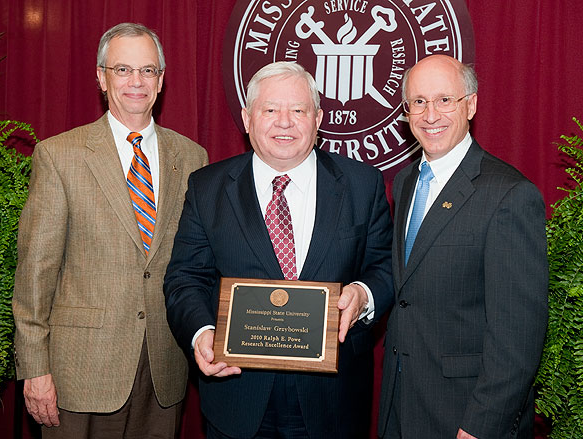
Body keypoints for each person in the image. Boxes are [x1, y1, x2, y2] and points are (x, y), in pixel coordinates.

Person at [164, 61, 393, 439]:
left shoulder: (361, 184)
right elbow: (185, 277)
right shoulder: (207, 187)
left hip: (333, 401)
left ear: (317, 118)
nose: (284, 122)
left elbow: (384, 266)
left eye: (298, 110)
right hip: (237, 395)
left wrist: (364, 296)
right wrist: (202, 332)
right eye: (270, 109)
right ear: (247, 118)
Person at [12, 22, 208, 438]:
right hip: (79, 374)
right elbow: (34, 275)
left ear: (161, 79)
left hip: (163, 371)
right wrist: (34, 369)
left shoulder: (192, 157)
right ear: (101, 78)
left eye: (148, 70)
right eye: (122, 70)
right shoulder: (59, 155)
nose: (136, 81)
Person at [378, 54, 548, 439]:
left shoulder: (509, 195)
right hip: (400, 403)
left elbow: (518, 335)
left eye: (444, 100)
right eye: (418, 102)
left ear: (470, 105)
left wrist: (480, 426)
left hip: (464, 414)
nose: (430, 114)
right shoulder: (405, 183)